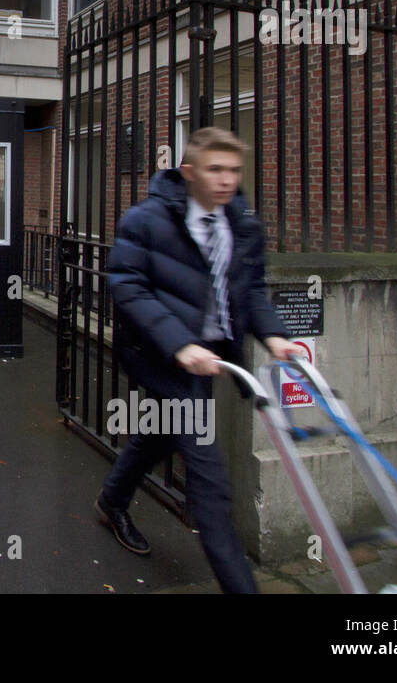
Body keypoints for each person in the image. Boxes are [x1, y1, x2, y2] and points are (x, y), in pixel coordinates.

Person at [95, 126, 304, 593]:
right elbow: (126, 284)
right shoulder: (146, 220)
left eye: (233, 170)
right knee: (209, 481)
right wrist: (178, 343)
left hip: (209, 359)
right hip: (160, 355)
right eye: (216, 170)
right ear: (188, 172)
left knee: (158, 434)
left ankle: (112, 501)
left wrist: (276, 338)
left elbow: (250, 290)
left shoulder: (242, 223)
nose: (227, 180)